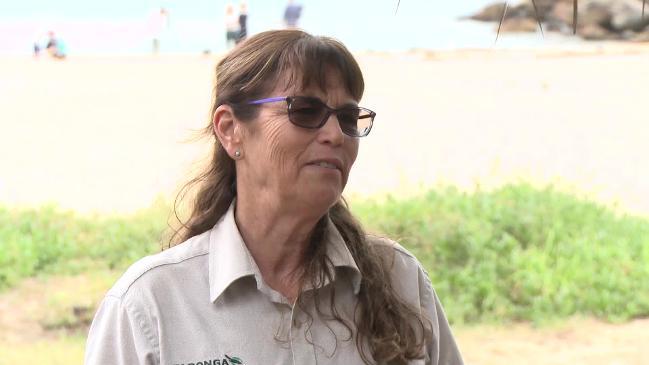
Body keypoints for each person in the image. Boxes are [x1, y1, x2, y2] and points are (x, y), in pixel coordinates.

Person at [84, 30, 464, 365]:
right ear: (231, 130)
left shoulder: (401, 280)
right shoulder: (150, 307)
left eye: (348, 118)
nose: (335, 133)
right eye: (305, 110)